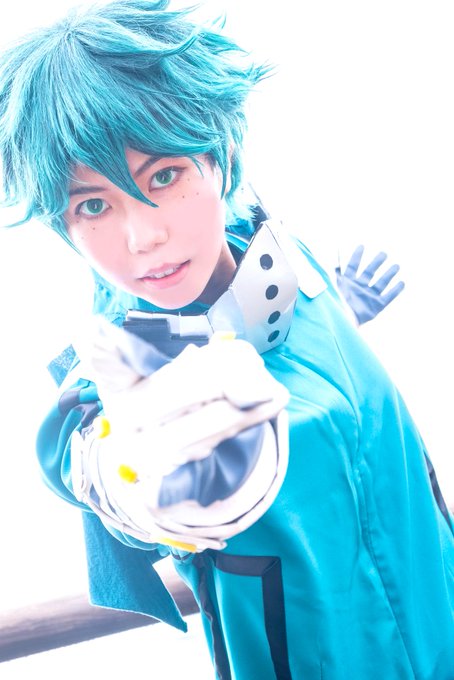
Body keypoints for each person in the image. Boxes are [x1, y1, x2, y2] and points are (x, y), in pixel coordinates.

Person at [0, 2, 452, 678]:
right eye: (93, 205)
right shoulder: (126, 369)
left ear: (221, 155)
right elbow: (94, 460)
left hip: (437, 602)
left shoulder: (275, 255)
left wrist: (334, 313)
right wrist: (151, 477)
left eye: (164, 176)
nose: (143, 237)